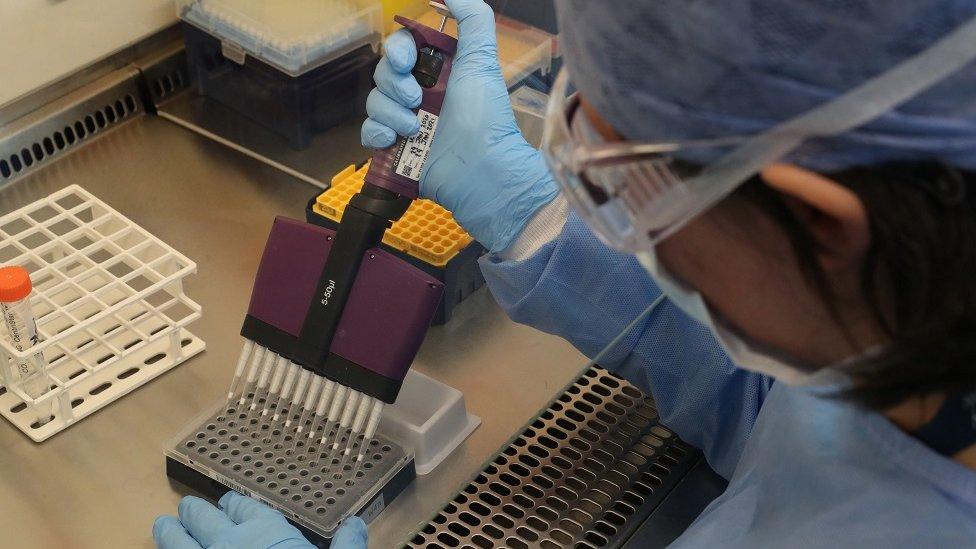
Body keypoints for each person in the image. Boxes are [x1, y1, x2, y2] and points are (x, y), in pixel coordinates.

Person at [157, 0, 976, 546]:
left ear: (823, 222)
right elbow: (789, 418)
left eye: (627, 178)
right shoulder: (911, 335)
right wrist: (533, 218)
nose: (599, 195)